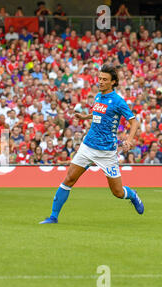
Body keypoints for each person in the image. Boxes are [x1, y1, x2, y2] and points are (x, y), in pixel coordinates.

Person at [40, 65, 144, 224]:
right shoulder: (98, 96)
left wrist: (129, 140)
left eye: (104, 80)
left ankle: (132, 195)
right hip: (87, 146)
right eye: (100, 78)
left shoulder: (118, 101)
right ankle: (53, 217)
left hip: (106, 152)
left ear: (113, 82)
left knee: (117, 192)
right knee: (69, 179)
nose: (100, 82)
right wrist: (84, 117)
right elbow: (99, 114)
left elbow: (134, 122)